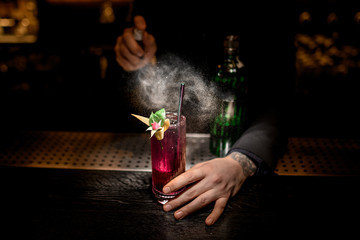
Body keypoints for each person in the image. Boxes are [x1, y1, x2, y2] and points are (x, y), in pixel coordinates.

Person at [114, 1, 292, 226]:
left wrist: (240, 161)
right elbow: (122, 77)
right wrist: (131, 53)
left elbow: (280, 97)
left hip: (234, 143)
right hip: (150, 149)